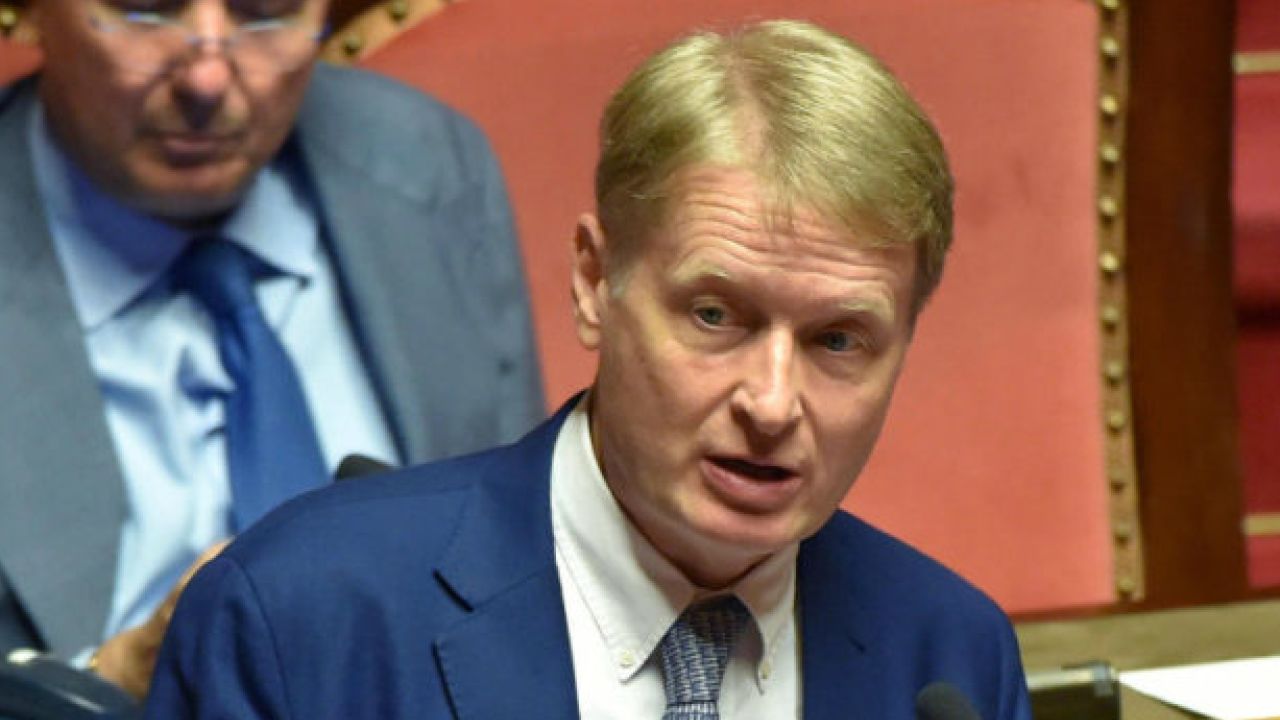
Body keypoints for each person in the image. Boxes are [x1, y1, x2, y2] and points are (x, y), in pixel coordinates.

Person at [146, 19, 1031, 720]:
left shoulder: (950, 657)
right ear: (595, 282)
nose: (771, 404)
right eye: (715, 316)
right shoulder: (302, 617)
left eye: (837, 341)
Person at [0, 0, 544, 700]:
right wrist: (117, 680)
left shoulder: (429, 163)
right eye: (146, 9)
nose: (206, 78)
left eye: (267, 11)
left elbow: (523, 569)